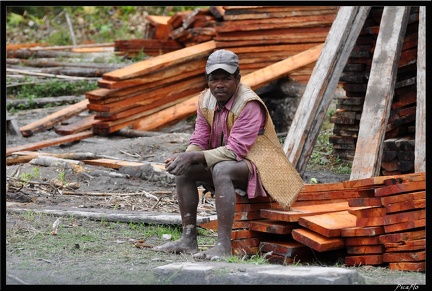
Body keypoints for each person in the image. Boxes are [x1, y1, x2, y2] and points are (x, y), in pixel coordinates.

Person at [152, 49, 303, 260]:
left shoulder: (249, 104)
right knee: (185, 170)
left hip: (260, 166)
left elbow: (235, 151)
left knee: (222, 169)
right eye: (214, 79)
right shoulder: (205, 99)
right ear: (207, 81)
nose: (219, 84)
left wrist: (194, 157)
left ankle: (223, 245)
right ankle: (188, 240)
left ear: (238, 79)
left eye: (226, 79)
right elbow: (199, 140)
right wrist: (184, 158)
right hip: (229, 161)